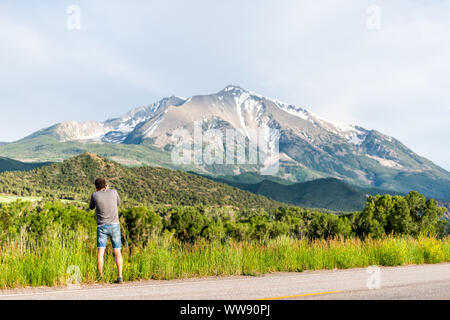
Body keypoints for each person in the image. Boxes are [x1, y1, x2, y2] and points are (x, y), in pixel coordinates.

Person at [89, 178, 123, 284]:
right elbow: (118, 203)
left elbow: (91, 207)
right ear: (106, 185)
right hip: (115, 225)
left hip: (102, 226)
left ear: (96, 187)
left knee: (101, 252)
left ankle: (100, 276)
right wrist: (107, 190)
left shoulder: (94, 195)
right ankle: (120, 276)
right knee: (117, 251)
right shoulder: (114, 192)